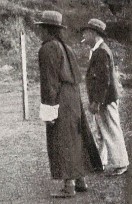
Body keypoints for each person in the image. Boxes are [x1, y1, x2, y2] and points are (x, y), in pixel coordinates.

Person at [35, 10, 103, 198]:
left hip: (61, 97)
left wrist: (49, 110)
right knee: (75, 137)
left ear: (48, 29)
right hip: (73, 97)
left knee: (61, 139)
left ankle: (69, 186)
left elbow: (49, 82)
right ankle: (80, 180)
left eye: (41, 28)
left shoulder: (48, 48)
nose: (39, 32)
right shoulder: (67, 47)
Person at [81, 18, 129, 176]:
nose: (84, 35)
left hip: (105, 99)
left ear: (94, 34)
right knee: (101, 129)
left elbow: (104, 80)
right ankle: (100, 162)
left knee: (111, 129)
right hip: (103, 98)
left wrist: (97, 101)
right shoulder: (97, 50)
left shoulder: (101, 51)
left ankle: (121, 163)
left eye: (86, 32)